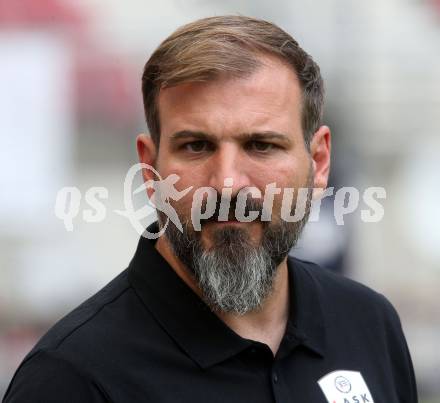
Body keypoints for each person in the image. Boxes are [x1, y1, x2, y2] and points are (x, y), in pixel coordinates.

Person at [3, 15, 417, 403]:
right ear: (150, 169)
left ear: (319, 162)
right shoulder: (72, 378)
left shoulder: (368, 324)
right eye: (196, 146)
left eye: (261, 145)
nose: (228, 183)